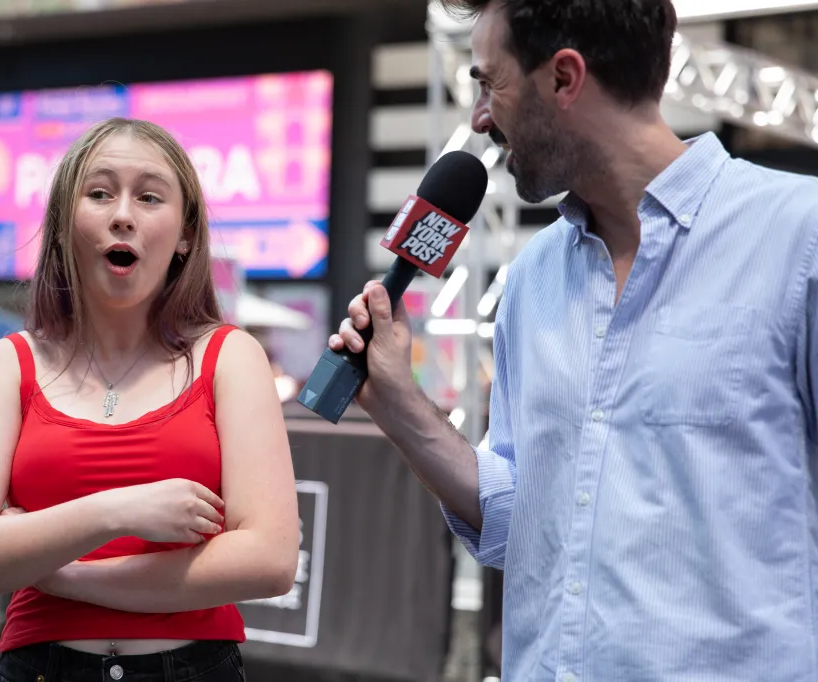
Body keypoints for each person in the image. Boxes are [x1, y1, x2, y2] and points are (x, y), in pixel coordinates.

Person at [331, 1, 818, 680]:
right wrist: (398, 404)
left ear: (564, 78)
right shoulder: (532, 279)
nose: (477, 119)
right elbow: (517, 522)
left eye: (489, 84)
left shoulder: (798, 238)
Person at [0, 117, 300, 682]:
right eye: (99, 193)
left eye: (149, 197)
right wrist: (114, 512)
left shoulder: (230, 357)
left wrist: (64, 573)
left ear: (185, 235)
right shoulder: (9, 365)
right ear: (62, 225)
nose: (122, 213)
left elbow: (269, 560)